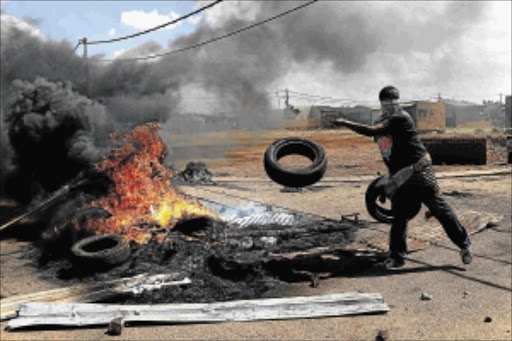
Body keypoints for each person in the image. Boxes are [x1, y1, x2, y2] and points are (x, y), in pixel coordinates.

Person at [333, 85, 472, 269]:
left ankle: (464, 246)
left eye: (393, 101)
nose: (390, 105)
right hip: (401, 176)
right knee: (400, 216)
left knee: (440, 210)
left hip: (419, 172)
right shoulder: (385, 119)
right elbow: (388, 153)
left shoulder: (401, 118)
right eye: (387, 102)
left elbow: (372, 131)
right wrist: (387, 183)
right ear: (382, 103)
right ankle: (397, 257)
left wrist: (345, 122)